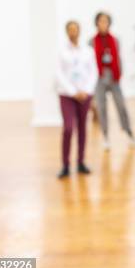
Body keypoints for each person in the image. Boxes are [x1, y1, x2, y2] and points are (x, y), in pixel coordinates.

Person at [56, 21, 98, 178]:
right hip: (67, 95)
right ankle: (65, 164)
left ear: (79, 31)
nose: (73, 32)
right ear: (67, 32)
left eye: (75, 29)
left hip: (84, 95)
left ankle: (81, 162)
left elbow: (93, 71)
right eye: (70, 30)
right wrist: (73, 92)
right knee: (68, 128)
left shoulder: (88, 51)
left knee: (82, 128)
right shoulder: (62, 52)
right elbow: (59, 74)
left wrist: (86, 91)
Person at [92, 12, 133, 149]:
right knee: (102, 108)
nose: (103, 24)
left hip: (114, 77)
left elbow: (119, 58)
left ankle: (128, 132)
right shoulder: (91, 41)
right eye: (101, 21)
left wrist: (119, 74)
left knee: (121, 105)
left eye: (106, 21)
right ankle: (105, 136)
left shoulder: (115, 40)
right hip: (100, 77)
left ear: (109, 23)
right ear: (97, 23)